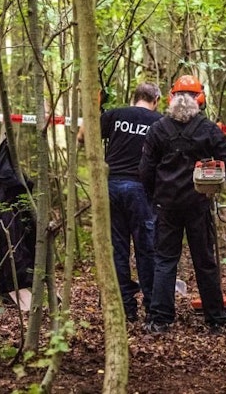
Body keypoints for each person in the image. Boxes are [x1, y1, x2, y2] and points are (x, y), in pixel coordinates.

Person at [139, 75, 226, 333]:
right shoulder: (210, 130)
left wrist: (153, 197)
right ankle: (215, 319)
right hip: (198, 205)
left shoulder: (158, 129)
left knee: (165, 260)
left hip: (166, 206)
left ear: (171, 98)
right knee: (205, 261)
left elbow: (145, 170)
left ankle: (160, 319)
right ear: (200, 99)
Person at [92, 82, 162, 322]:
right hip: (141, 190)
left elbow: (84, 137)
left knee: (118, 249)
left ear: (134, 97)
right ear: (156, 100)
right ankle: (152, 308)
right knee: (147, 249)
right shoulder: (159, 122)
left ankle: (125, 308)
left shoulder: (115, 115)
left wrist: (96, 107)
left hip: (111, 187)